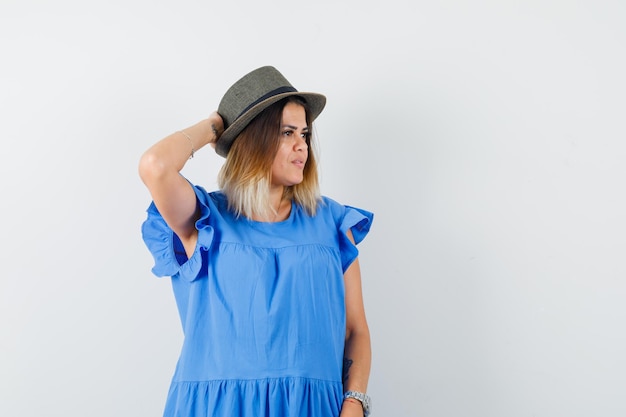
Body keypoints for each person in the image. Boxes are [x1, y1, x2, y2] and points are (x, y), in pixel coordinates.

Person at [139, 66, 373, 417]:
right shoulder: (205, 220)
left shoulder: (332, 223)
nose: (302, 145)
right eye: (287, 132)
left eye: (305, 134)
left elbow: (355, 329)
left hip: (309, 407)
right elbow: (155, 166)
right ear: (254, 139)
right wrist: (217, 128)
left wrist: (354, 403)